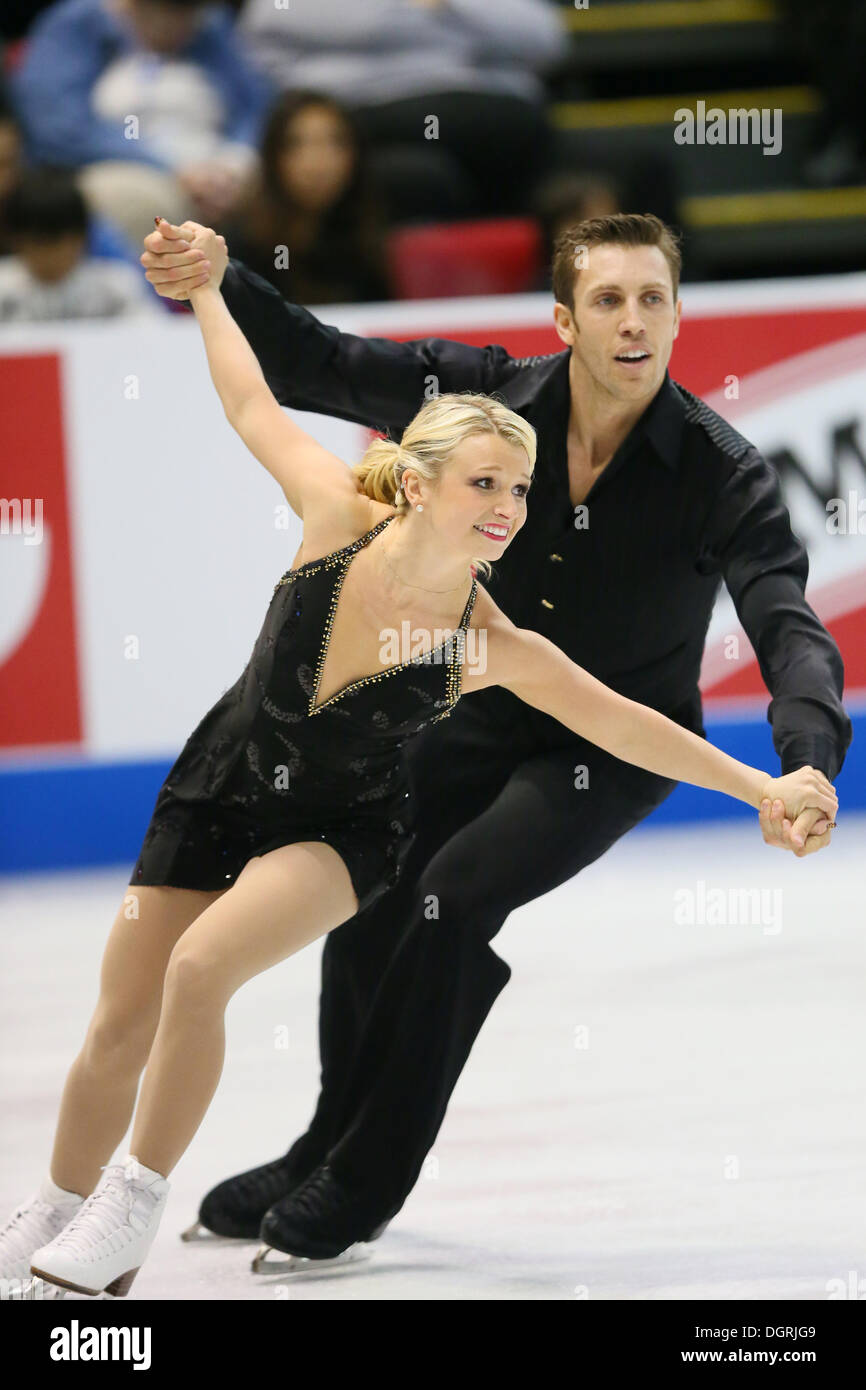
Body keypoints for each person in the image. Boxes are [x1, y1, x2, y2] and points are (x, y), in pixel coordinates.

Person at [0, 215, 841, 1298]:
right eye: (606, 299)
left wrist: (795, 761)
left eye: (653, 299)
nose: (632, 321)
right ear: (561, 317)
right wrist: (217, 279)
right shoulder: (476, 409)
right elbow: (312, 370)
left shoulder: (717, 472)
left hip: (598, 736)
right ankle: (321, 1140)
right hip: (459, 714)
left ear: (677, 313)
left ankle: (361, 1182)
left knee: (446, 897)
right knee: (368, 909)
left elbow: (780, 615)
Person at [10, 0, 272, 248]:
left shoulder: (210, 23)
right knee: (139, 203)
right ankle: (160, 295)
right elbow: (60, 128)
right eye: (164, 15)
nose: (179, 29)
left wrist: (237, 160)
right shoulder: (75, 24)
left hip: (215, 161)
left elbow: (252, 104)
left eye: (189, 16)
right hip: (122, 165)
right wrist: (173, 168)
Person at [217, 89, 390, 306]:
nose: (318, 163)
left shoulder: (367, 230)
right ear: (273, 157)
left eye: (335, 143)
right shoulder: (241, 245)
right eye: (297, 144)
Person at [0, 167, 161, 319]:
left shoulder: (117, 286)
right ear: (16, 240)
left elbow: (154, 336)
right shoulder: (4, 287)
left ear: (81, 238)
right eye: (38, 243)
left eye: (58, 243)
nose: (50, 256)